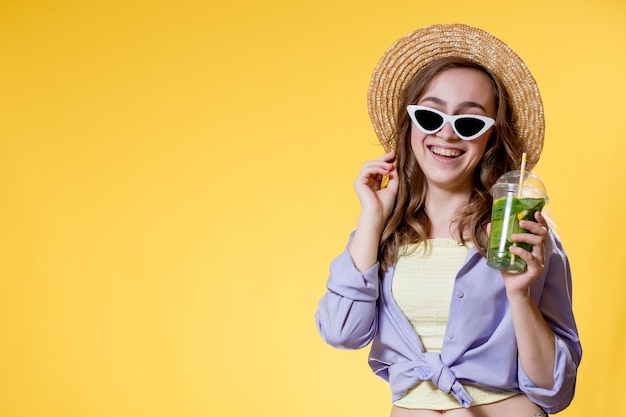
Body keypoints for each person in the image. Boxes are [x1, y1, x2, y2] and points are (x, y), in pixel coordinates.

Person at [315, 24, 582, 417]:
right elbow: (342, 333)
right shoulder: (381, 234)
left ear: (491, 137)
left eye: (469, 122)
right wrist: (372, 218)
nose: (447, 133)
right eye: (430, 115)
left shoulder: (523, 234)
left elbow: (554, 391)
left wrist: (519, 294)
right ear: (410, 126)